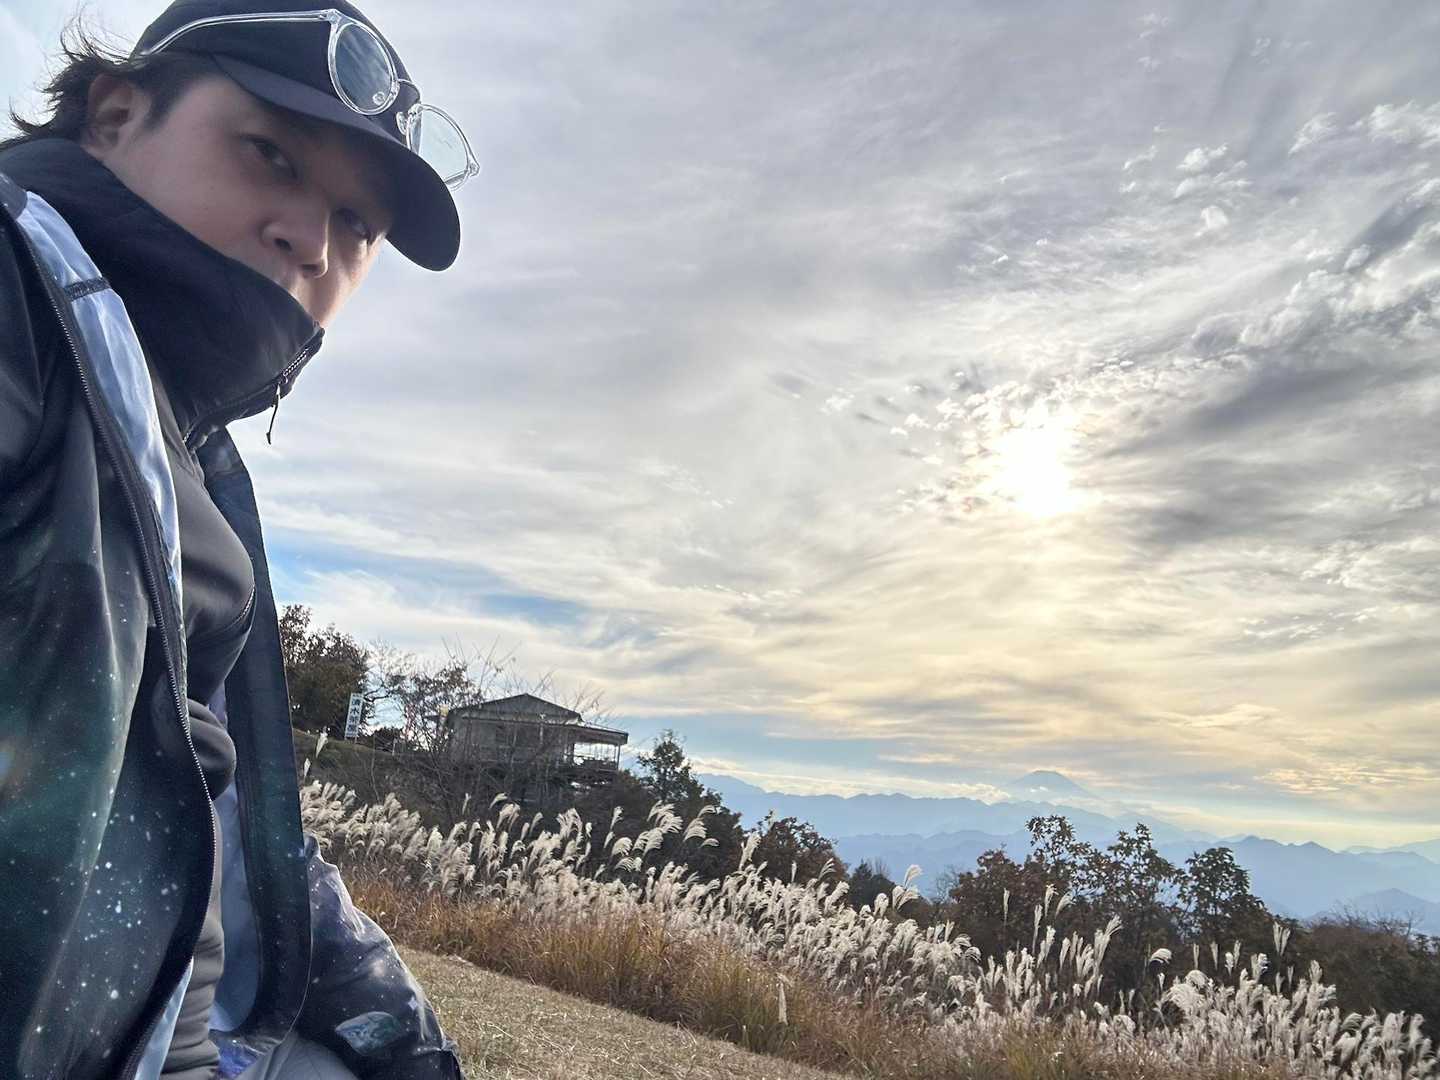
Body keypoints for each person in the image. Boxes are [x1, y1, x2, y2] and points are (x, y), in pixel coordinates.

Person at [0, 2, 477, 1077]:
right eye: (271, 155)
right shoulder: (21, 304)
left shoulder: (182, 452)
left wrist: (405, 1037)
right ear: (115, 116)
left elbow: (217, 821)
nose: (312, 240)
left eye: (357, 224)